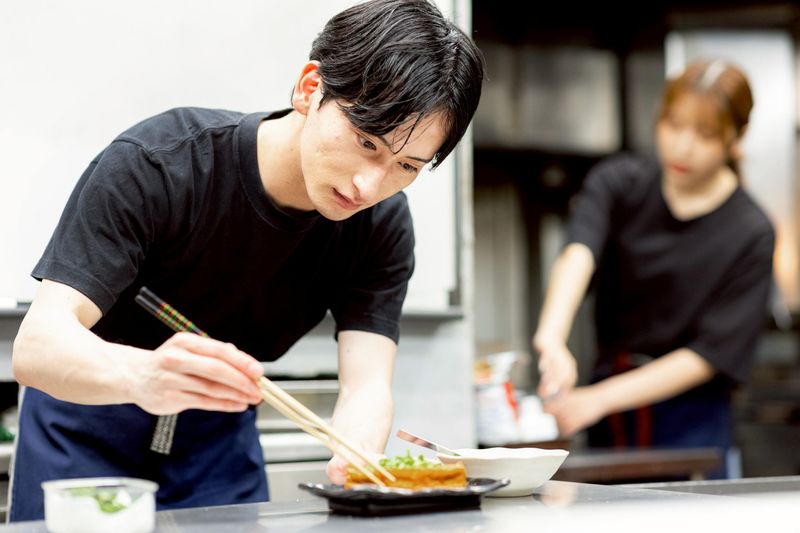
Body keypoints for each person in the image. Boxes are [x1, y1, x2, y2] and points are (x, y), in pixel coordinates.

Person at [10, 0, 484, 521]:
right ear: (310, 88)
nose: (369, 186)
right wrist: (144, 375)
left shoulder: (379, 225)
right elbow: (37, 347)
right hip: (87, 420)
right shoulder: (161, 164)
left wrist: (357, 458)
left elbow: (366, 384)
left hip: (216, 444)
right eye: (366, 141)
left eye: (407, 166)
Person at [532, 60, 774, 478]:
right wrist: (552, 336)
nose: (683, 147)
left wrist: (599, 399)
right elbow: (579, 252)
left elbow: (709, 355)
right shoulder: (619, 183)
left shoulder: (751, 232)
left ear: (736, 138)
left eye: (705, 134)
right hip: (610, 416)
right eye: (673, 125)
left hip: (691, 422)